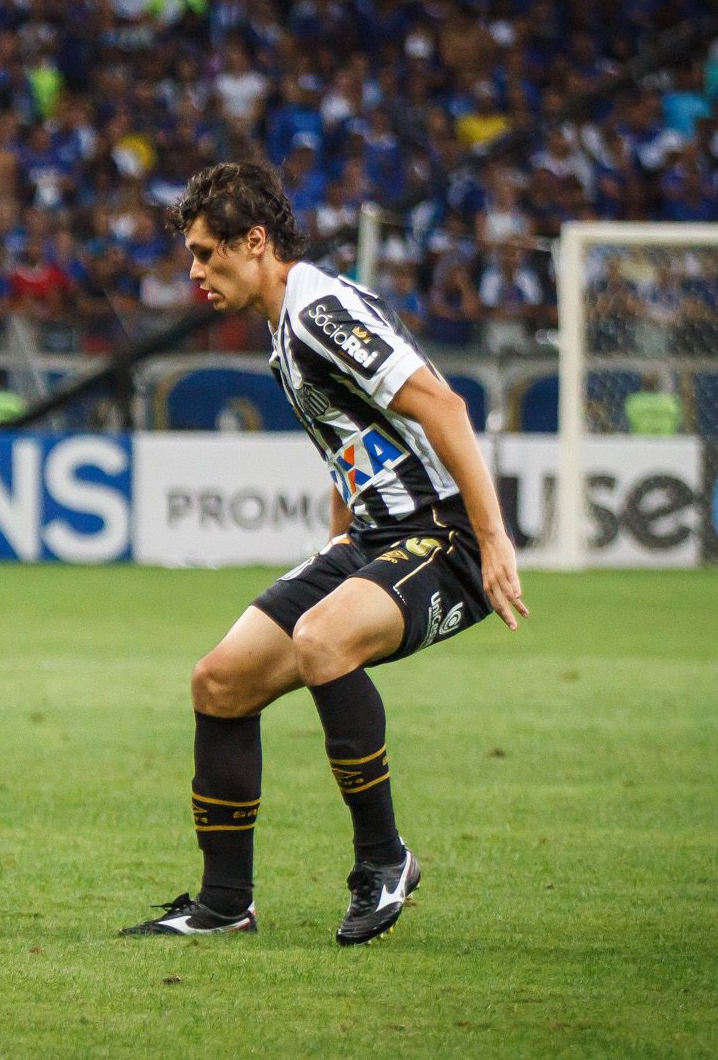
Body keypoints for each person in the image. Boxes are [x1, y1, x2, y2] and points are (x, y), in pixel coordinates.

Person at [121, 162, 527, 945]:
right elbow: (349, 438)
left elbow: (443, 405)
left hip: (441, 534)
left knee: (322, 639)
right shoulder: (286, 326)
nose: (195, 272)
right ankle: (223, 905)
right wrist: (340, 538)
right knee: (220, 682)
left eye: (206, 253)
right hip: (375, 537)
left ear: (255, 241)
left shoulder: (318, 311)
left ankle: (384, 859)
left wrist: (492, 538)